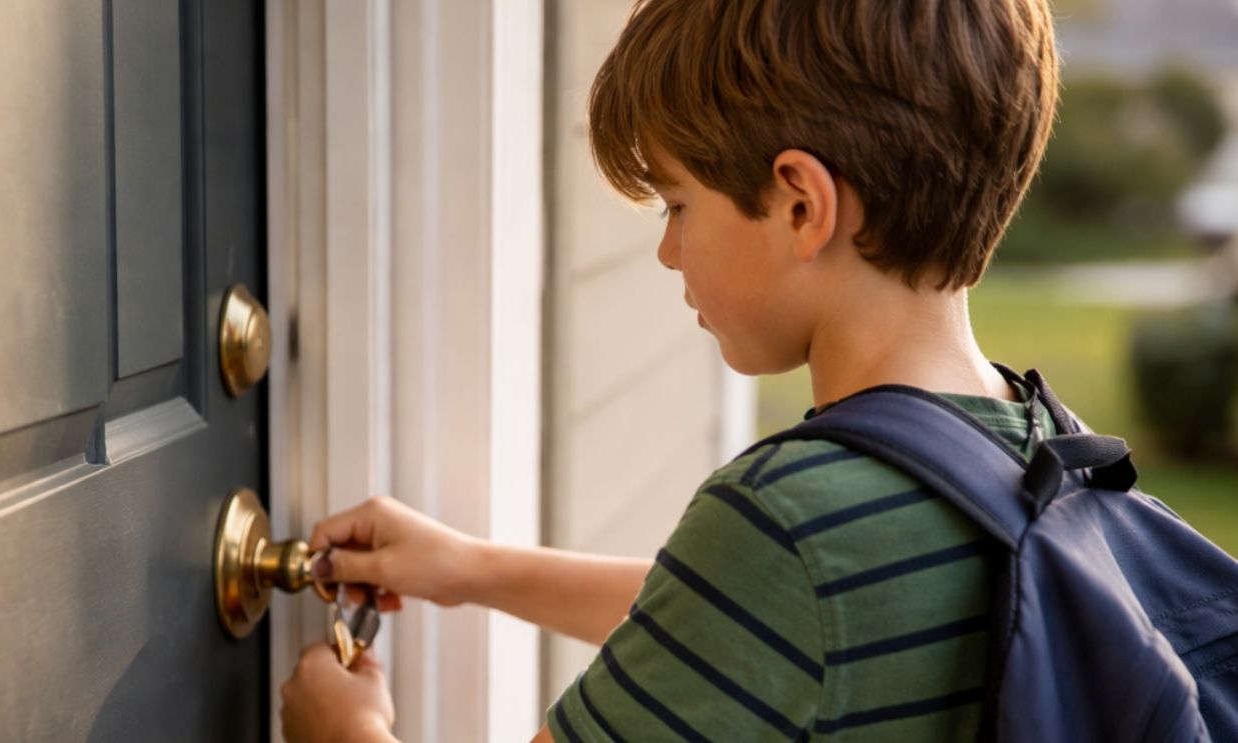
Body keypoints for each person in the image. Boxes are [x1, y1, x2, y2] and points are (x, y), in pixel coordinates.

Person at [280, 0, 1061, 740]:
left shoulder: (786, 520)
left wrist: (344, 725)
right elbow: (758, 623)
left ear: (799, 205)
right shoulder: (1040, 453)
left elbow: (767, 594)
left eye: (677, 205)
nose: (666, 250)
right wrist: (470, 568)